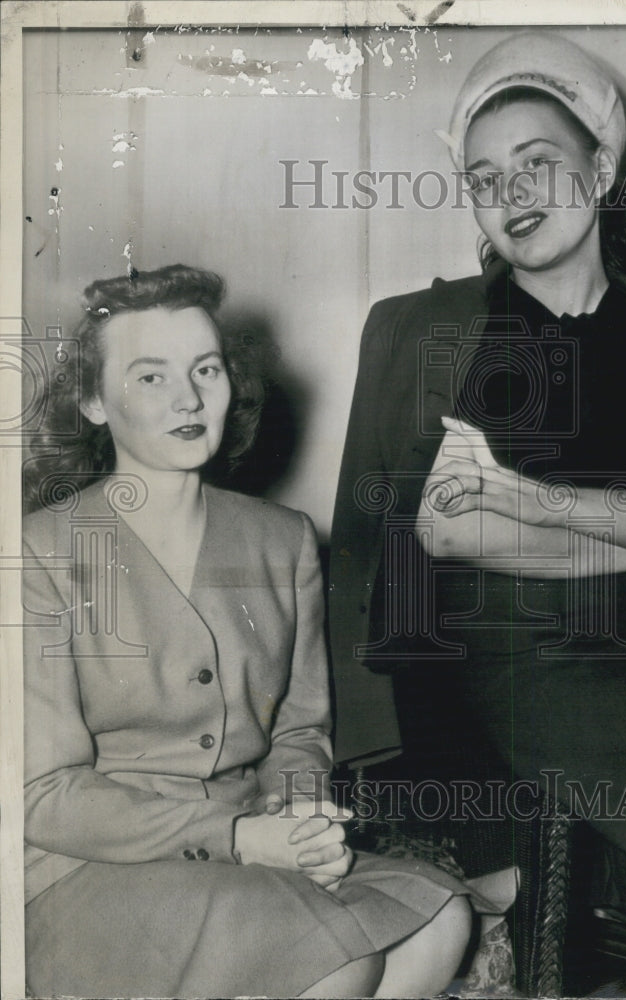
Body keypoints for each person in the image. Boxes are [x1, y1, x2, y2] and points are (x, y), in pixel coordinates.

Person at [329, 31, 626, 996]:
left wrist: (543, 502)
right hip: (529, 653)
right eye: (486, 178)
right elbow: (456, 533)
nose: (515, 194)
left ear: (602, 168)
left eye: (539, 163)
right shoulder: (443, 331)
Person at [22, 263, 485, 999]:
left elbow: (299, 733)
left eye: (205, 368)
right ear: (92, 401)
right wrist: (236, 840)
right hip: (89, 868)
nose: (188, 397)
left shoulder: (282, 540)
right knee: (336, 957)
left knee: (439, 918)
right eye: (150, 377)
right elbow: (42, 796)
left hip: (245, 846)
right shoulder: (39, 555)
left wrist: (296, 819)